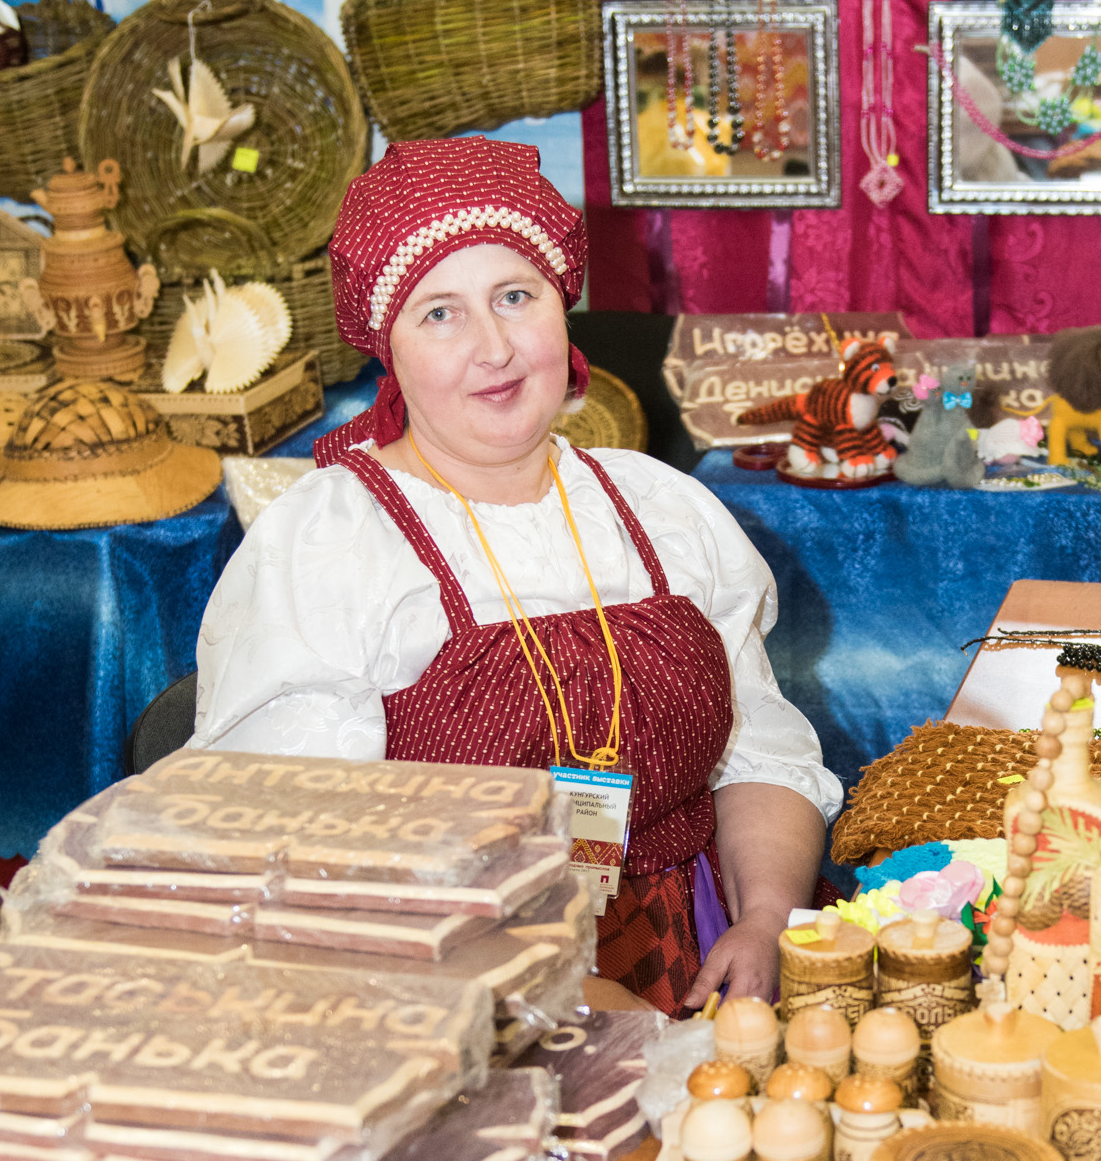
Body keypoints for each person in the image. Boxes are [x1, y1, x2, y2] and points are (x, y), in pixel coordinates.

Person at [192, 136, 839, 1011]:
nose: (494, 347)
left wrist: (764, 921)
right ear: (389, 346)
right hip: (446, 992)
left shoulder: (661, 509)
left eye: (514, 296)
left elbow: (756, 746)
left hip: (691, 962)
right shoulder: (331, 540)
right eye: (440, 314)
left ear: (561, 304)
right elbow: (295, 847)